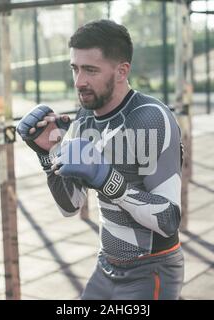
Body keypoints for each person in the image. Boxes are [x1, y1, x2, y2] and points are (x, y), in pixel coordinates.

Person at [17, 19, 184, 300]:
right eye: (75, 68)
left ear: (121, 71)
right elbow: (71, 206)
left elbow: (169, 220)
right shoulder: (84, 119)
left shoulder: (151, 118)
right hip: (106, 265)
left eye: (90, 70)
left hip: (152, 270)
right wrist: (47, 155)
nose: (79, 81)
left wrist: (109, 181)